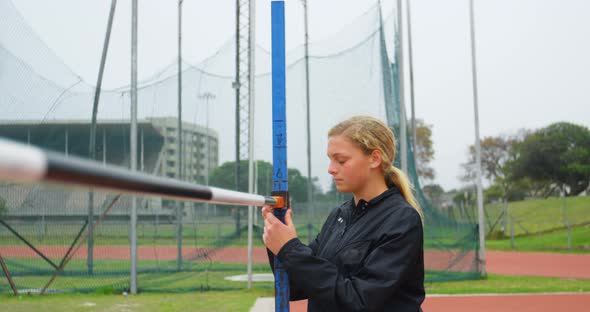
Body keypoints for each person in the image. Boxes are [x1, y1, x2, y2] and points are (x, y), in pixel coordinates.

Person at [262, 115, 425, 312]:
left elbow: (358, 300)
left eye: (341, 160)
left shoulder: (401, 219)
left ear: (374, 159)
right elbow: (297, 286)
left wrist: (290, 249)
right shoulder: (339, 215)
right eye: (330, 160)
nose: (331, 169)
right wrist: (277, 239)